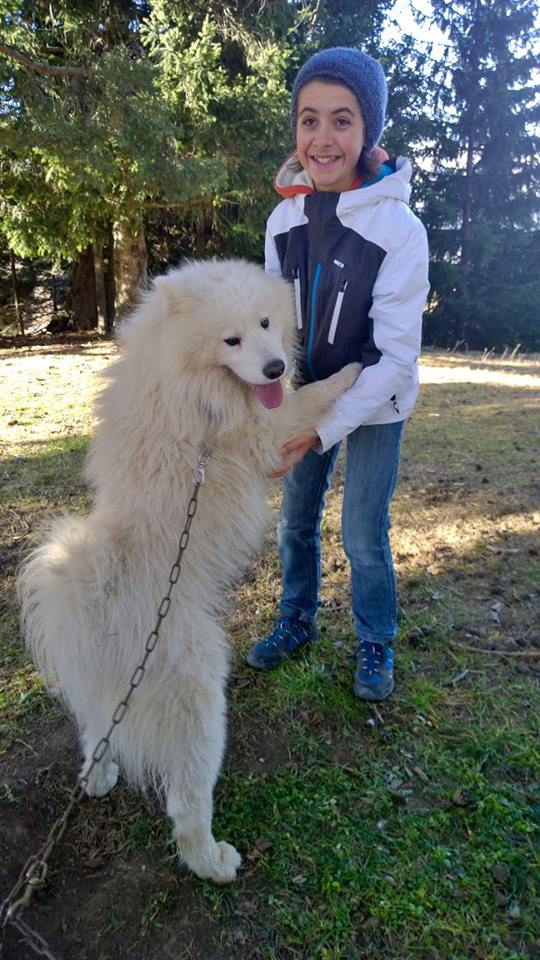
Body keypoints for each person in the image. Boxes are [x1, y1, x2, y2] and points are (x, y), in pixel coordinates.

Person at [245, 47, 429, 701]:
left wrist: (321, 434)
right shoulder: (282, 219)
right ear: (295, 126)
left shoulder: (400, 229)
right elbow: (271, 326)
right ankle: (296, 620)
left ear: (368, 130)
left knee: (362, 532)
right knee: (295, 519)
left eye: (343, 120)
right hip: (307, 395)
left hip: (379, 400)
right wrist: (275, 405)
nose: (323, 138)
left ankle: (376, 638)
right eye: (309, 119)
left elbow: (394, 358)